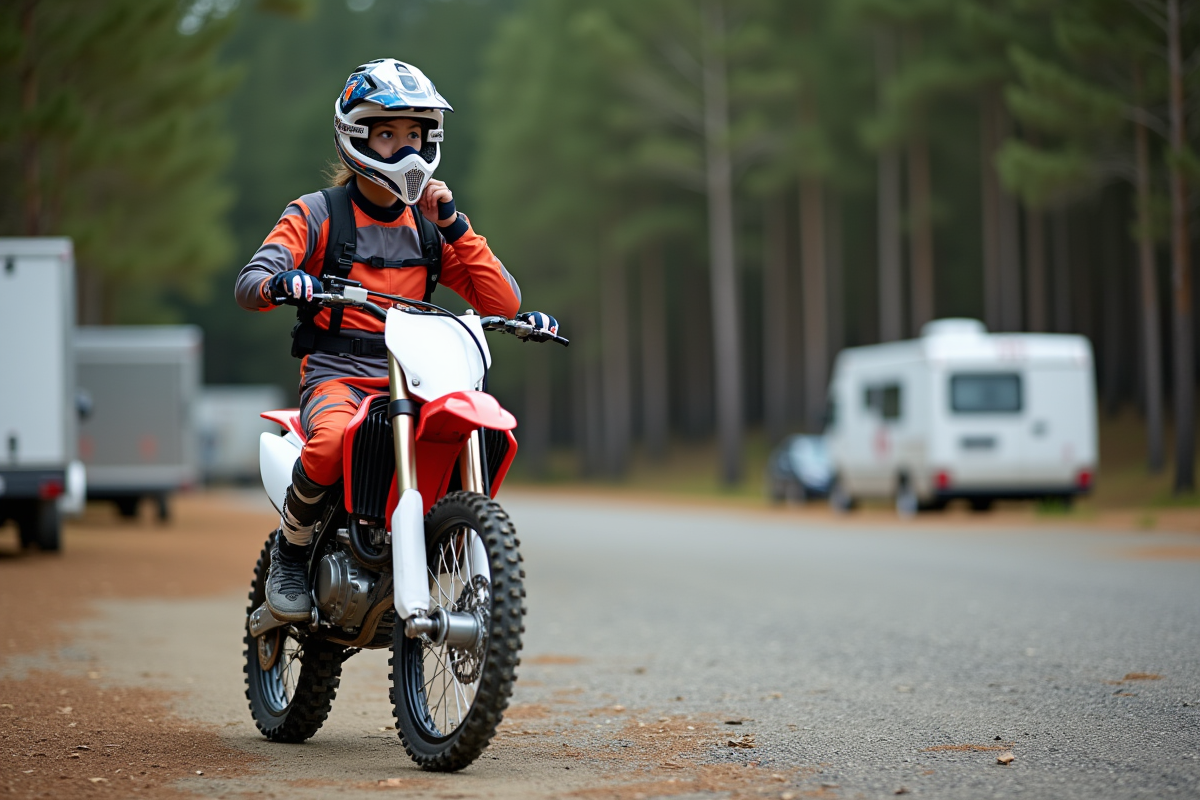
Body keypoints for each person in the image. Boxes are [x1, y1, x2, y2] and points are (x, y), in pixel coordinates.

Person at [235, 59, 557, 621]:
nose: (405, 149)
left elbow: (502, 301)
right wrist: (281, 281)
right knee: (331, 444)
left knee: (468, 433)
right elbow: (251, 282)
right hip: (336, 374)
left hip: (415, 378)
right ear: (355, 135)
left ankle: (436, 546)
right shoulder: (317, 214)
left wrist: (455, 225)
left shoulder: (430, 228)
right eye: (387, 133)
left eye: (415, 134)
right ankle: (292, 549)